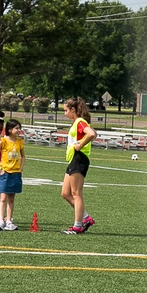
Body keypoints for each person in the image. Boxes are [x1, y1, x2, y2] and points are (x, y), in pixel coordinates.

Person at [61, 96, 97, 234]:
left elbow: (91, 134)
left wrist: (80, 145)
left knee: (76, 193)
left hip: (79, 159)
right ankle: (86, 218)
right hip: (73, 159)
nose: (65, 114)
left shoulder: (80, 122)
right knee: (65, 193)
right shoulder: (76, 123)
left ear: (73, 109)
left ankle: (77, 226)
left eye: (66, 110)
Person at [0, 118, 25, 231]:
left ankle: (9, 220)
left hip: (15, 173)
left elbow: (23, 156)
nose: (18, 130)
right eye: (16, 128)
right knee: (3, 198)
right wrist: (0, 168)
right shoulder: (3, 141)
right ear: (9, 130)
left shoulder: (20, 142)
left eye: (19, 128)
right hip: (5, 173)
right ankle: (1, 221)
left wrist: (21, 168)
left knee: (11, 198)